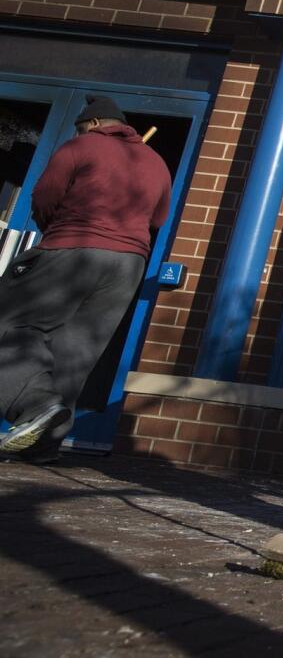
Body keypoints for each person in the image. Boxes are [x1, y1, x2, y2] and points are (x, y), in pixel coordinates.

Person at [0, 95, 172, 462]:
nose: (78, 131)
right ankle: (45, 444)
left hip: (73, 246)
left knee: (11, 326)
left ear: (93, 123)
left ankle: (34, 405)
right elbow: (157, 219)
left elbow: (45, 196)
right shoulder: (156, 163)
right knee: (75, 351)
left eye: (80, 126)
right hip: (128, 265)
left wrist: (54, 231)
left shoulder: (82, 146)